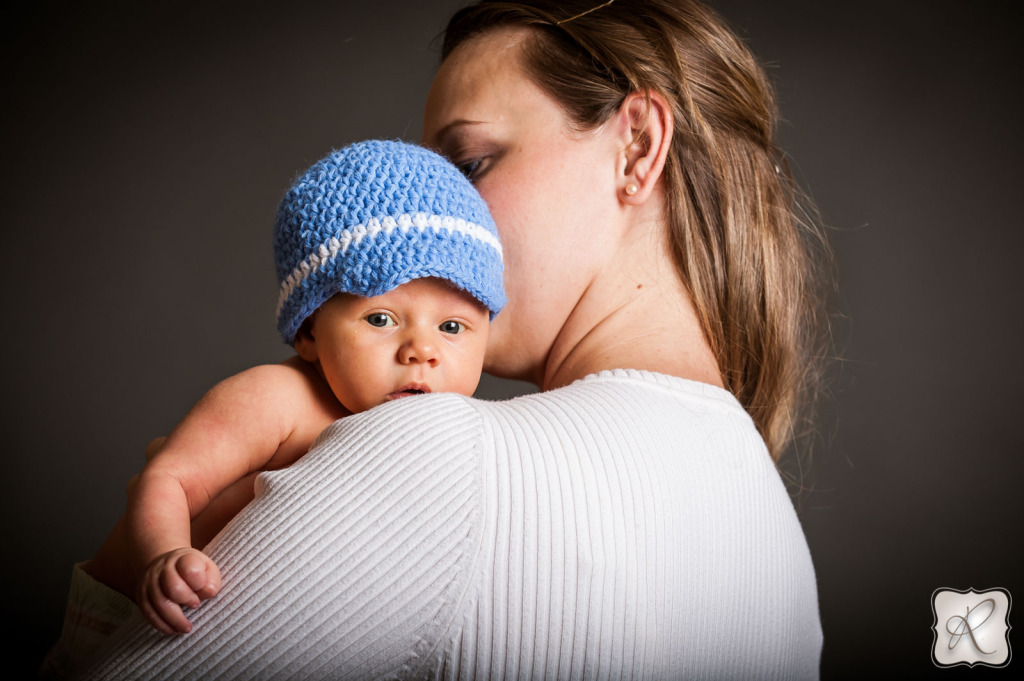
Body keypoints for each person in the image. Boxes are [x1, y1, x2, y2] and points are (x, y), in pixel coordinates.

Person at [71, 0, 832, 678]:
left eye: (468, 164)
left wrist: (117, 576)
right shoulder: (785, 556)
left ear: (635, 148)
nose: (436, 212)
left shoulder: (435, 453)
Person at [40, 139, 505, 673]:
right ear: (309, 331)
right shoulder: (278, 398)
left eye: (452, 328)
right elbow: (167, 478)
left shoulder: (448, 433)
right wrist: (164, 556)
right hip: (126, 609)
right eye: (380, 319)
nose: (421, 350)